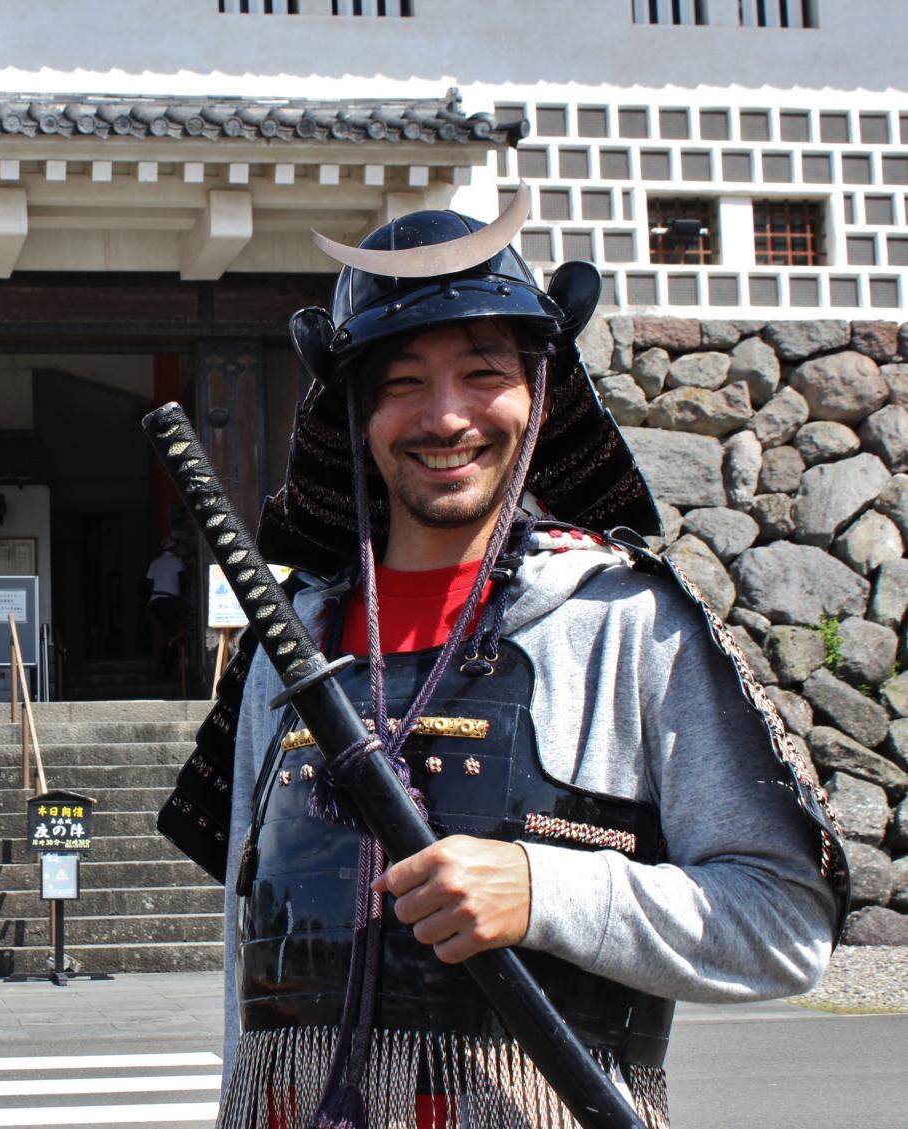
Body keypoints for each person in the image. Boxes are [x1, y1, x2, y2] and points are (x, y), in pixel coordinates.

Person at [179, 187, 846, 1129]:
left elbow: (783, 924)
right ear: (355, 415)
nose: (444, 417)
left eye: (483, 370)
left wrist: (546, 891)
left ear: (539, 394)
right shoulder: (288, 645)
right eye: (400, 380)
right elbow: (249, 953)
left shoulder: (626, 625)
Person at [144, 537, 187, 674]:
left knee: (160, 634)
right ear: (173, 548)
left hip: (155, 602)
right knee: (171, 634)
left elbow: (148, 584)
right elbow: (183, 583)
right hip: (170, 602)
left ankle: (161, 665)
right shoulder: (178, 562)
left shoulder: (154, 563)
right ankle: (166, 667)